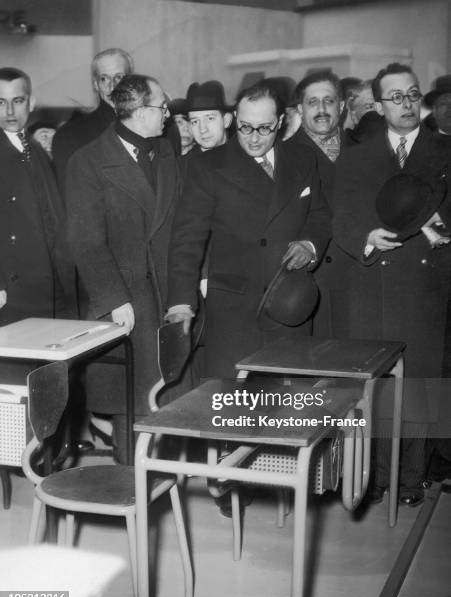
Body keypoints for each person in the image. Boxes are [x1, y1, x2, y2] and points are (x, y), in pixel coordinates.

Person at [332, 62, 451, 506]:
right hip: (372, 283)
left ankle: (410, 480)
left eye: (412, 95)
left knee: (419, 381)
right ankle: (373, 475)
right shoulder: (357, 155)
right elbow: (342, 215)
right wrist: (365, 236)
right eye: (395, 97)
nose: (405, 104)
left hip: (426, 284)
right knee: (376, 387)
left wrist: (441, 223)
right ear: (378, 105)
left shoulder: (444, 149)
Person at [166, 79, 330, 378]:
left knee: (289, 409)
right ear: (235, 121)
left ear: (280, 122)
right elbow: (186, 239)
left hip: (290, 305)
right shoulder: (207, 167)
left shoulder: (303, 158)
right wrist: (180, 302)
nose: (254, 138)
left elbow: (319, 214)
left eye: (264, 128)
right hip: (234, 313)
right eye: (245, 127)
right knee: (235, 411)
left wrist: (310, 244)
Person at [66, 74, 181, 462]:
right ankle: (132, 488)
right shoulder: (88, 162)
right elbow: (86, 241)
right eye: (162, 106)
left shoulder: (165, 151)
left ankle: (158, 478)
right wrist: (114, 298)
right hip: (126, 301)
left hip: (166, 296)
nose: (167, 114)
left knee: (165, 395)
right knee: (130, 404)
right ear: (139, 111)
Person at [0, 67, 75, 379]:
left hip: (49, 288)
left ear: (31, 103)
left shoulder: (36, 150)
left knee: (47, 383)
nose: (9, 111)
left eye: (17, 101)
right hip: (11, 293)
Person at [285, 70, 344, 336]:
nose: (321, 109)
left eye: (329, 101)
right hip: (311, 285)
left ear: (341, 106)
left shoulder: (365, 150)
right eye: (312, 102)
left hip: (360, 283)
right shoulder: (282, 156)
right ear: (300, 109)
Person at [52, 48, 134, 191]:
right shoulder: (69, 135)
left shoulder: (150, 129)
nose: (112, 86)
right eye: (104, 79)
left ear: (132, 82)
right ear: (96, 85)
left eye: (119, 77)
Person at [184, 80, 233, 159]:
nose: (202, 129)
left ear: (226, 120)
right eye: (195, 122)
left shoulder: (247, 161)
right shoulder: (181, 168)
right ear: (189, 127)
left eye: (210, 118)